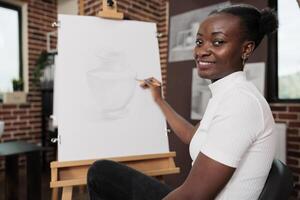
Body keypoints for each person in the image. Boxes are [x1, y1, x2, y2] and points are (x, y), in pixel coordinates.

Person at [87, 4, 278, 200]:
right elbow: (193, 135)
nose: (202, 51)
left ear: (246, 49)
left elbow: (193, 196)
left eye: (218, 42)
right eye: (199, 41)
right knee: (101, 172)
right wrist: (158, 99)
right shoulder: (227, 95)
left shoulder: (240, 103)